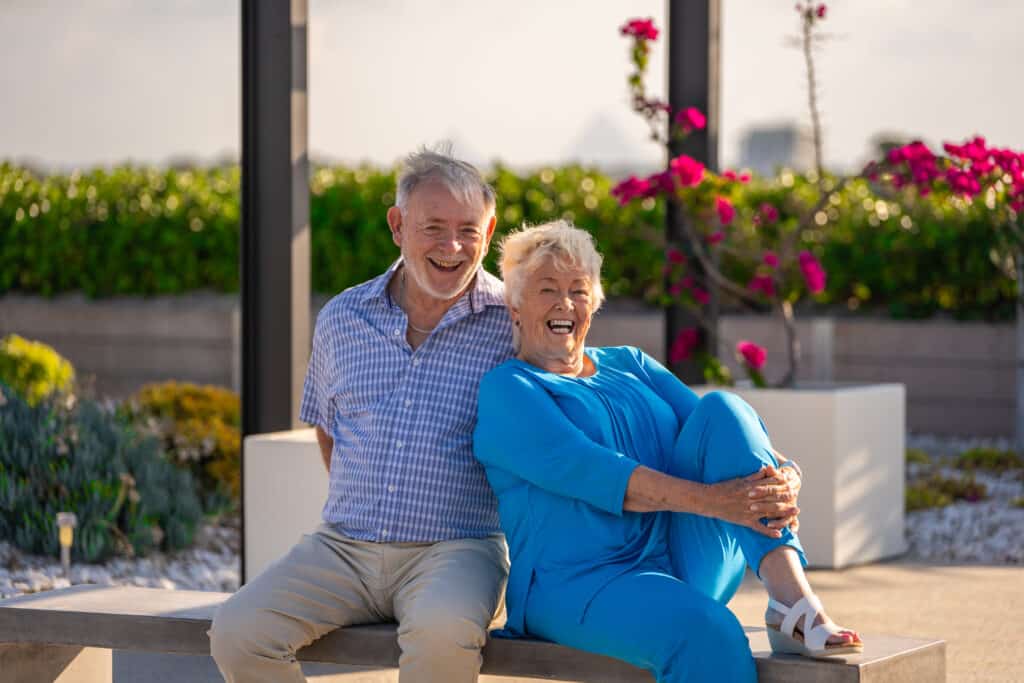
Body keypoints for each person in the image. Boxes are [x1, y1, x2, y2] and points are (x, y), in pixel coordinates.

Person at [473, 220, 862, 683]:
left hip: (678, 556)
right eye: (547, 290)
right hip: (578, 583)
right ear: (515, 305)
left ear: (594, 304)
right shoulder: (508, 390)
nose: (565, 303)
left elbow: (723, 435)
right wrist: (719, 503)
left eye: (579, 290)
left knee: (723, 406)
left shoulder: (631, 363)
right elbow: (600, 473)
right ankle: (781, 613)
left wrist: (783, 473)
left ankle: (792, 604)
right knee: (708, 633)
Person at [209, 148, 514, 683]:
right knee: (238, 632)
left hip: (458, 548)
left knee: (441, 639)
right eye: (433, 227)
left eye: (468, 229)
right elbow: (328, 432)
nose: (452, 246)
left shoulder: (512, 323)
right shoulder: (343, 317)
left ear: (489, 231)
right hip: (343, 547)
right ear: (397, 225)